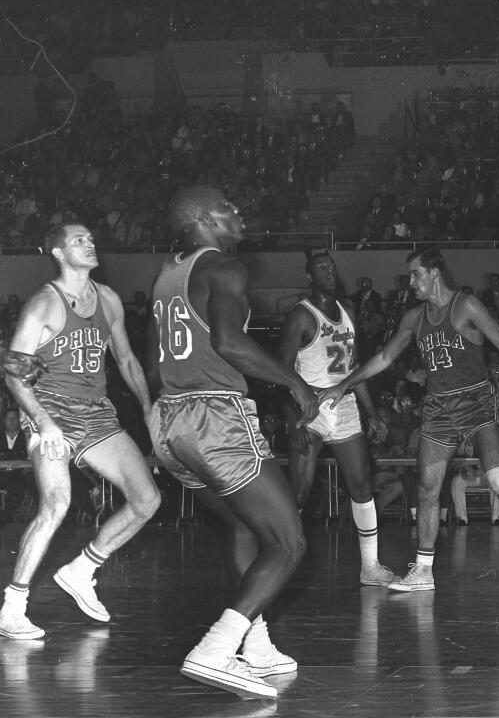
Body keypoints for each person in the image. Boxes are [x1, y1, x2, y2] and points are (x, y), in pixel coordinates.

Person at [146, 186, 319, 699]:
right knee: (289, 542)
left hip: (167, 422)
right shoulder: (223, 266)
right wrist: (294, 382)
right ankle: (215, 649)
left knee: (247, 527)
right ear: (204, 219)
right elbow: (227, 342)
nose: (238, 211)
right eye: (228, 207)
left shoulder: (166, 275)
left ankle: (255, 645)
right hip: (213, 416)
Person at [320, 248, 499, 593]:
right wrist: (343, 384)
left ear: (434, 274)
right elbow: (384, 357)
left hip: (476, 402)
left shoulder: (466, 305)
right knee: (427, 488)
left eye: (415, 274)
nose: (410, 281)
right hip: (438, 409)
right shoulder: (415, 318)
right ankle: (423, 570)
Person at [0, 224, 161, 641]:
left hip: (97, 413)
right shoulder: (42, 304)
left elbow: (125, 360)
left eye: (90, 239)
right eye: (78, 240)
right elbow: (15, 374)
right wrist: (45, 421)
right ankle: (12, 607)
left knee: (147, 499)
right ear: (57, 251)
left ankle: (82, 569)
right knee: (56, 504)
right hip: (51, 410)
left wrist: (147, 408)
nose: (90, 244)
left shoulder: (107, 299)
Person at [277, 250, 394, 587]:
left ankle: (370, 567)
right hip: (308, 408)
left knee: (361, 483)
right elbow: (280, 373)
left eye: (332, 266)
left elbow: (356, 370)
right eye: (321, 268)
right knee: (299, 491)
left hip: (342, 404)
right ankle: (278, 562)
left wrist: (371, 412)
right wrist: (290, 420)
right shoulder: (301, 316)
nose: (329, 271)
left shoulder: (348, 312)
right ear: (310, 277)